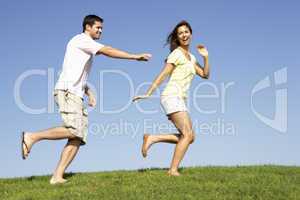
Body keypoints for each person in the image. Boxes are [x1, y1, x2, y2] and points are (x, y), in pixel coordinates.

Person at [21, 14, 151, 184]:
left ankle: (57, 176)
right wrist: (134, 56)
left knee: (78, 136)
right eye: (98, 27)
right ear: (87, 27)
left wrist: (87, 90)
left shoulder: (82, 45)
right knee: (74, 130)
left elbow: (74, 71)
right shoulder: (81, 40)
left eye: (102, 28)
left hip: (75, 93)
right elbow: (107, 50)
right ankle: (32, 137)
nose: (100, 31)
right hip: (67, 92)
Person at [133, 20, 209, 176]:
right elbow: (163, 74)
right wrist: (148, 92)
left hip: (179, 98)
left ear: (191, 34)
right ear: (177, 37)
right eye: (180, 33)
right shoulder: (176, 54)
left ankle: (152, 138)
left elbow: (205, 75)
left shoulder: (192, 58)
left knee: (190, 137)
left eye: (186, 31)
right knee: (187, 135)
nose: (184, 35)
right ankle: (172, 170)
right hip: (171, 96)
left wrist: (206, 57)